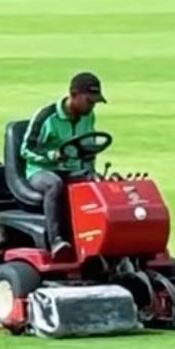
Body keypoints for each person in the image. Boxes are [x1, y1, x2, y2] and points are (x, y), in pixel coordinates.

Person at [22, 71, 107, 258]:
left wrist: (92, 173)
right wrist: (51, 155)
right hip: (41, 170)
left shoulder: (88, 116)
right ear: (73, 95)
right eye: (89, 101)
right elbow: (26, 149)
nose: (92, 106)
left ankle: (95, 241)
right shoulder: (47, 117)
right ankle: (57, 241)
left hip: (72, 169)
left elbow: (87, 148)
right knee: (54, 184)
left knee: (99, 185)